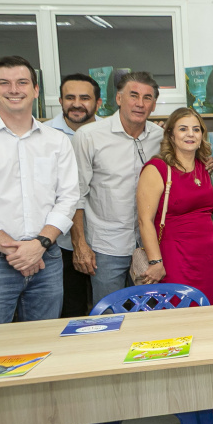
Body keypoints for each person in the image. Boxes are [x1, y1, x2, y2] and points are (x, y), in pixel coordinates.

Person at [0, 56, 79, 424]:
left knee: (41, 346)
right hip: (1, 257)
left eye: (21, 82)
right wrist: (10, 246)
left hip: (45, 259)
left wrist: (40, 244)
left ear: (34, 89)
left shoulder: (56, 141)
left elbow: (68, 197)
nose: (13, 89)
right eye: (3, 82)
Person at [71, 72, 164, 305]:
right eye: (133, 96)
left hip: (149, 246)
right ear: (119, 99)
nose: (140, 103)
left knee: (147, 314)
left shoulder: (161, 137)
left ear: (153, 105)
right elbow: (75, 195)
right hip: (106, 247)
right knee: (109, 315)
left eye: (147, 98)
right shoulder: (88, 137)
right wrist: (80, 244)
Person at [136, 107, 213, 304]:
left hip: (209, 259)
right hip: (174, 259)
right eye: (183, 129)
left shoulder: (204, 166)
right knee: (178, 314)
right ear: (171, 135)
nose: (190, 134)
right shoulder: (156, 169)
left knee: (210, 315)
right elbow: (144, 220)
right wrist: (156, 262)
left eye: (196, 129)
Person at [47, 73, 101, 317]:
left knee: (108, 309)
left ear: (98, 103)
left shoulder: (109, 132)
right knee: (71, 311)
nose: (76, 103)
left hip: (104, 242)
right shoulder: (45, 135)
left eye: (84, 97)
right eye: (70, 97)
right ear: (60, 100)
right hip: (61, 243)